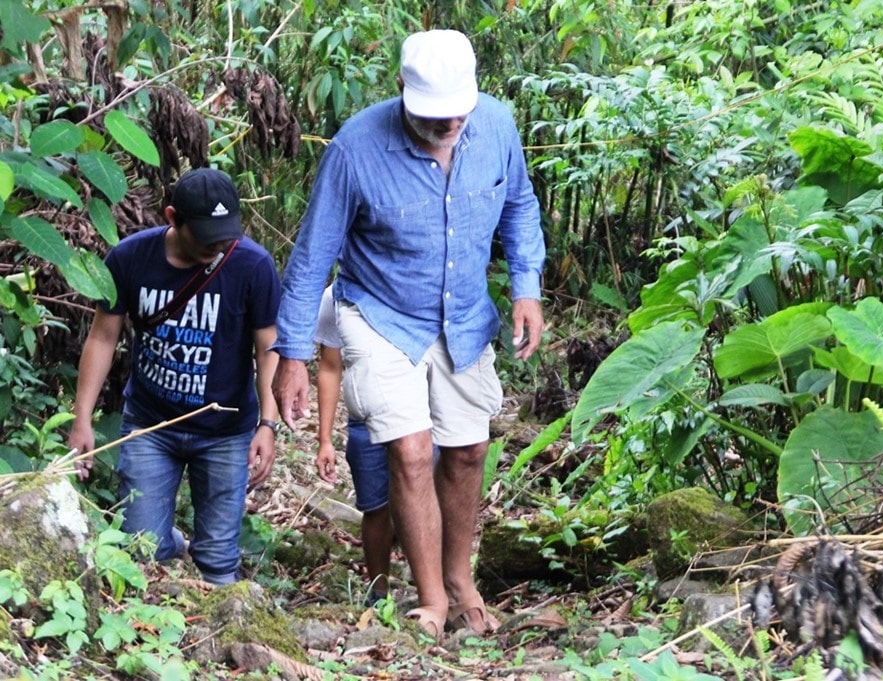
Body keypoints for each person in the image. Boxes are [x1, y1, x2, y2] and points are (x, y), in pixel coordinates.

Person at [272, 29, 545, 636]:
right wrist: (290, 353)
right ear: (401, 90)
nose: (448, 123)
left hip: (466, 316)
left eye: (458, 113)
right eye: (434, 114)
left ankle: (459, 577)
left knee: (469, 449)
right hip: (379, 314)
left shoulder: (497, 127)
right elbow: (313, 257)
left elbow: (521, 206)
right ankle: (431, 601)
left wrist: (527, 287)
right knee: (411, 449)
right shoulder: (355, 149)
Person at [69, 167, 282, 586]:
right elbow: (102, 338)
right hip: (150, 423)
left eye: (225, 235)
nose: (218, 246)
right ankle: (170, 549)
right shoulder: (131, 258)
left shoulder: (253, 266)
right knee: (141, 548)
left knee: (219, 560)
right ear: (172, 217)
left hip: (225, 430)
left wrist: (267, 425)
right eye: (206, 236)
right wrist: (82, 421)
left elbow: (268, 350)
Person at [314, 284, 394, 605]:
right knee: (375, 505)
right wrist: (325, 440)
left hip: (420, 405)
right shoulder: (335, 296)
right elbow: (331, 367)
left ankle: (437, 588)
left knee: (424, 493)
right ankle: (379, 593)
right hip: (366, 410)